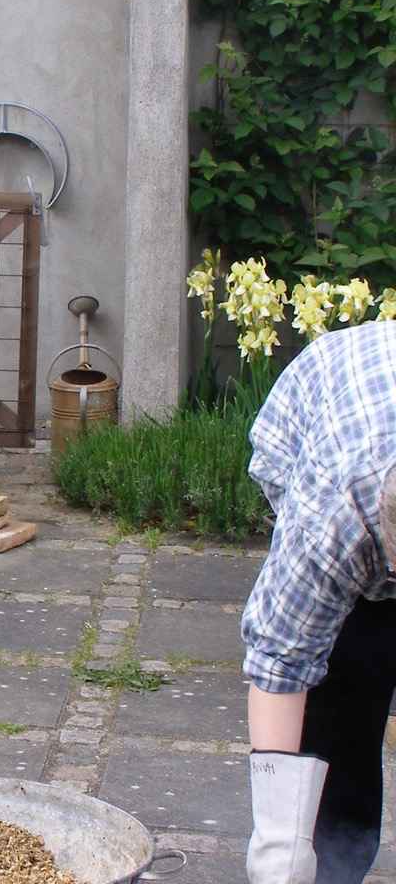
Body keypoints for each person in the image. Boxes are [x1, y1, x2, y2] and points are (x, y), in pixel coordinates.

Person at [241, 320, 396, 883]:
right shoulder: (334, 522)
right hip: (316, 417)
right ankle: (328, 856)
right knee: (347, 679)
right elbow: (281, 663)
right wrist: (279, 851)